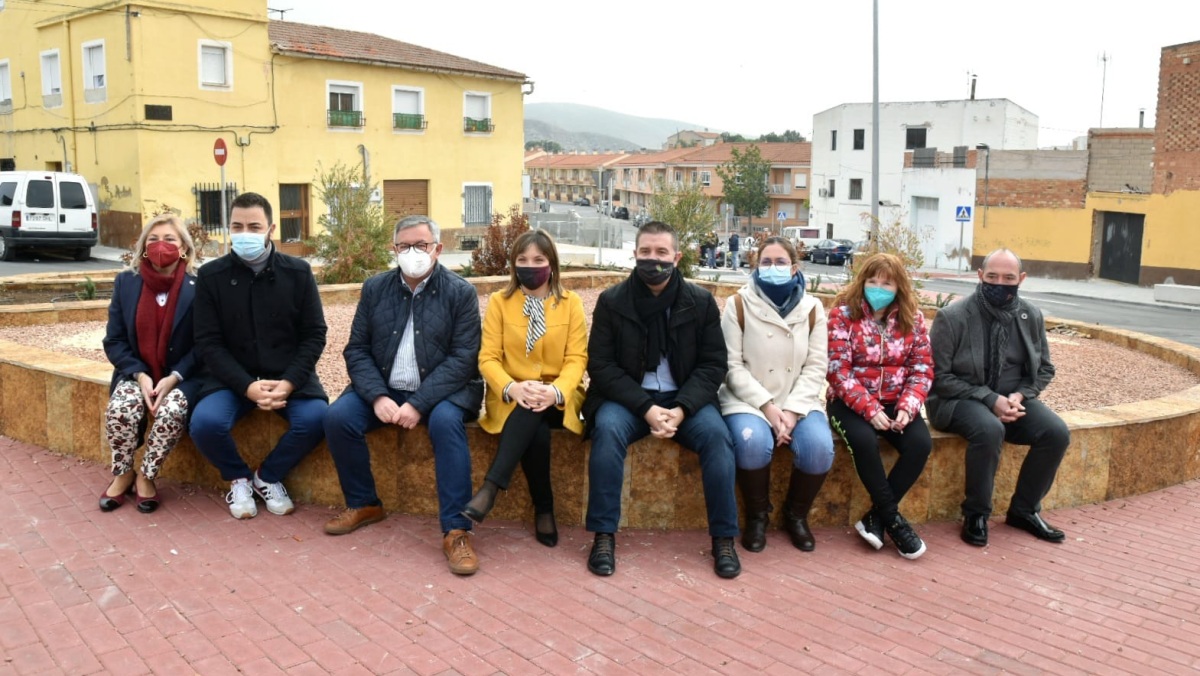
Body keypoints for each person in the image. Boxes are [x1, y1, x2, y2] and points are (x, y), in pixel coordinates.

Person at [323, 215, 484, 576]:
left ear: (438, 249)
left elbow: (463, 359)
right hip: (385, 387)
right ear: (393, 249)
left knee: (445, 424)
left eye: (422, 245)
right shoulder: (375, 288)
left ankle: (457, 530)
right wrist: (378, 396)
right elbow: (357, 350)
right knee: (337, 418)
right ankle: (364, 503)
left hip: (444, 392)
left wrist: (418, 403)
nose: (413, 252)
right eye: (404, 246)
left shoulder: (460, 293)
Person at [583, 221, 741, 579]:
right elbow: (602, 366)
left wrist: (682, 408)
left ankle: (724, 538)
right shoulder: (612, 302)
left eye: (661, 253)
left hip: (684, 400)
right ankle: (603, 535)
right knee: (606, 432)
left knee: (718, 438)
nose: (652, 260)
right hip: (630, 401)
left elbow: (713, 364)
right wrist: (646, 408)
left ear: (677, 257)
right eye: (645, 252)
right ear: (635, 254)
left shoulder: (700, 303)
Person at [189, 192, 328, 520]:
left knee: (318, 419)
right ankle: (238, 478)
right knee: (205, 424)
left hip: (287, 376)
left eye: (254, 226)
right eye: (237, 226)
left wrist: (291, 381)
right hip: (230, 380)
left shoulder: (298, 272)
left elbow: (314, 334)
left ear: (271, 229)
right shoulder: (211, 276)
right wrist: (246, 386)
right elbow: (208, 342)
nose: (245, 233)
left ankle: (267, 477)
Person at [927, 248, 1070, 546]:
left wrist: (1020, 394)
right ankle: (976, 514)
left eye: (1008, 278)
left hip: (1013, 399)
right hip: (957, 400)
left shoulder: (1030, 315)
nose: (999, 284)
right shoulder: (952, 317)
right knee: (990, 429)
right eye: (992, 276)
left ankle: (1024, 510)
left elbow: (1044, 368)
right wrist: (990, 399)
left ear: (1022, 279)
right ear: (980, 276)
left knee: (1056, 433)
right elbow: (939, 378)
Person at [461, 230, 588, 548]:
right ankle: (544, 508)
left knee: (537, 412)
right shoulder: (499, 303)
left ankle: (490, 488)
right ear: (513, 265)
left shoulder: (570, 303)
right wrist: (512, 388)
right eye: (522, 260)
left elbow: (576, 358)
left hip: (559, 398)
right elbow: (488, 358)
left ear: (552, 264)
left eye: (538, 260)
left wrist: (556, 391)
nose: (530, 266)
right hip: (512, 398)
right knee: (535, 426)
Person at [719, 237, 832, 552]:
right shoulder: (738, 304)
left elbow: (816, 366)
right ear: (755, 266)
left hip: (799, 400)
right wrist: (768, 408)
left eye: (780, 262)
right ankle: (757, 516)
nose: (773, 268)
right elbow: (732, 366)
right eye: (766, 262)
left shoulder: (812, 308)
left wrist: (793, 412)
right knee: (752, 442)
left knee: (819, 449)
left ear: (794, 267)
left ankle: (796, 516)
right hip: (748, 400)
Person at [826, 253, 933, 560]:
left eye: (886, 282)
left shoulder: (913, 318)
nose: (878, 287)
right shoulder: (843, 315)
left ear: (899, 286)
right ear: (862, 281)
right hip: (849, 401)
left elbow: (922, 368)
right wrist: (870, 410)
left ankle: (875, 518)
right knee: (863, 441)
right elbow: (837, 370)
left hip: (896, 402)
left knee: (920, 444)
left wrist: (908, 407)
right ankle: (895, 522)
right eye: (872, 280)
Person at [99, 215, 202, 513]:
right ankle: (122, 473)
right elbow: (114, 340)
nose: (161, 246)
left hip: (183, 375)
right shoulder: (126, 283)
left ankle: (146, 476)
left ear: (183, 247)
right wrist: (140, 375)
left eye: (170, 239)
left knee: (172, 411)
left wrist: (174, 378)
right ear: (144, 247)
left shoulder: (200, 286)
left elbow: (205, 344)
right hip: (136, 372)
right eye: (153, 239)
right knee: (122, 406)